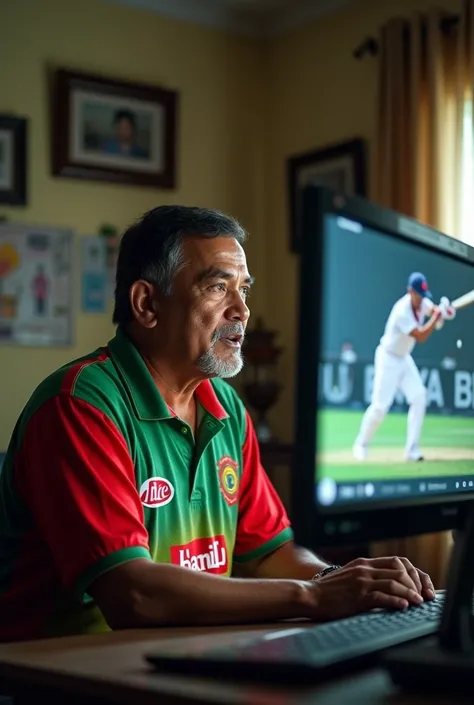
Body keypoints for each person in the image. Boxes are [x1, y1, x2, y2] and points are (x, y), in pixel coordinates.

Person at [0, 208, 435, 642]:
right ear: (147, 304)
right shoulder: (81, 404)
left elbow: (273, 552)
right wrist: (313, 597)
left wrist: (344, 581)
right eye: (217, 287)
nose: (242, 310)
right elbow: (133, 595)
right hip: (62, 673)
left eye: (243, 290)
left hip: (179, 655)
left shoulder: (224, 405)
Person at [353, 272, 454, 462]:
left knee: (419, 396)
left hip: (404, 358)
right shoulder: (402, 311)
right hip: (388, 358)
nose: (421, 299)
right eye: (418, 294)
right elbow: (422, 335)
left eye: (423, 295)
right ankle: (361, 443)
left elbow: (434, 315)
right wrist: (437, 318)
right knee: (380, 407)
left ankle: (412, 449)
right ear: (410, 292)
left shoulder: (423, 302)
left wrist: (444, 313)